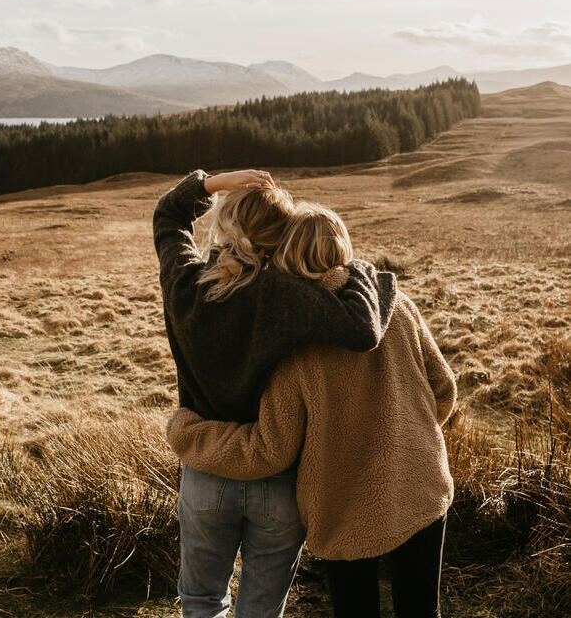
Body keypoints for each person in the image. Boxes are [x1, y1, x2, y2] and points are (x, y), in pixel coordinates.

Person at [167, 200, 456, 618]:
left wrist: (187, 433)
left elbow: (269, 450)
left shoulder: (296, 342)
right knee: (422, 611)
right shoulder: (396, 304)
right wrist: (408, 436)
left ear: (286, 255)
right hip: (421, 484)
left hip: (344, 508)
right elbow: (444, 390)